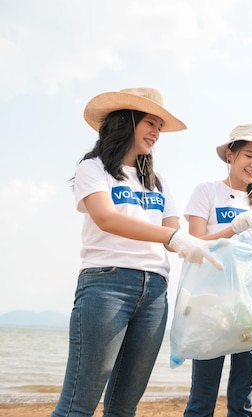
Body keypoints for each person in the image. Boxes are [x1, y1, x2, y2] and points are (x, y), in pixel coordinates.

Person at [52, 88, 221, 417]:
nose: (157, 133)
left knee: (124, 407)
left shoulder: (158, 180)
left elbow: (174, 236)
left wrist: (218, 242)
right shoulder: (94, 169)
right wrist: (174, 235)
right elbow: (106, 218)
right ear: (125, 121)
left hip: (155, 293)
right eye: (150, 123)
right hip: (106, 286)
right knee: (78, 404)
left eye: (160, 126)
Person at [183, 123, 252, 417]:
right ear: (230, 154)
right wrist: (232, 229)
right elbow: (193, 245)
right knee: (202, 399)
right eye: (249, 156)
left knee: (242, 402)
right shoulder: (206, 192)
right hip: (211, 306)